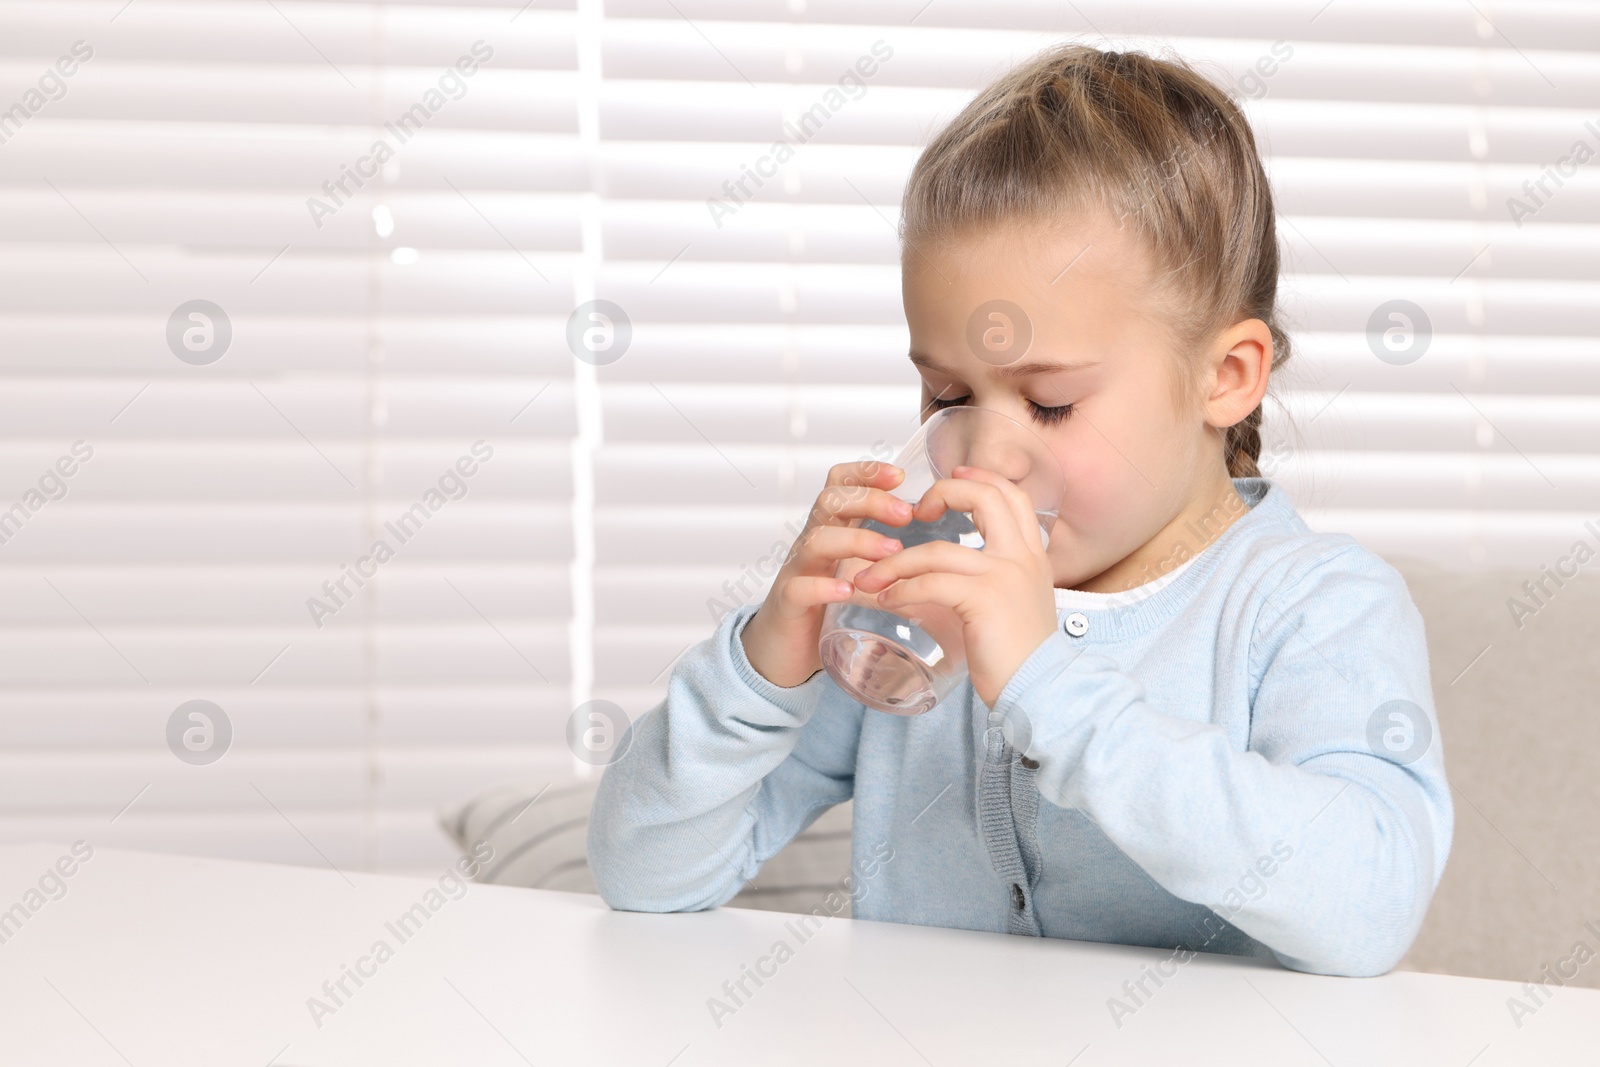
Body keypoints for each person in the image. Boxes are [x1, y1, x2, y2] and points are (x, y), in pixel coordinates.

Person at [586, 42, 1453, 978]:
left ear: (1224, 377)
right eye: (947, 396)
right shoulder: (925, 603)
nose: (984, 454)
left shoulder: (1312, 607)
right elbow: (647, 875)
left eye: (1049, 403)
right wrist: (762, 668)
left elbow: (1368, 906)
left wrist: (1049, 686)